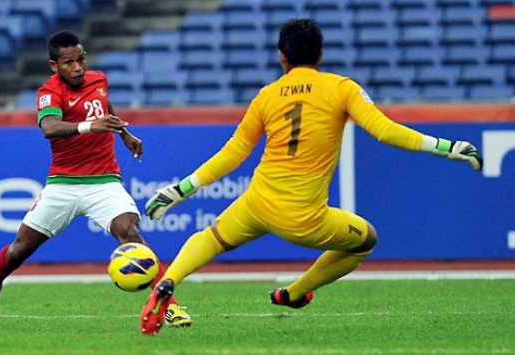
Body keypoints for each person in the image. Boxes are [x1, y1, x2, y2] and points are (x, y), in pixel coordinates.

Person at [139, 19, 483, 335]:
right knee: (366, 240)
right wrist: (446, 146)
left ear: (281, 57)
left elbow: (235, 152)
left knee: (212, 236)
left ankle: (168, 281)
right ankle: (295, 292)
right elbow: (384, 131)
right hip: (303, 218)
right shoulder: (341, 88)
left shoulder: (267, 95)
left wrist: (181, 189)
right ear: (320, 54)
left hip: (258, 202)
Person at [0, 30, 192, 328]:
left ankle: (167, 305)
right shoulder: (48, 92)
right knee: (19, 250)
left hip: (104, 181)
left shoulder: (99, 80)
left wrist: (124, 134)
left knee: (130, 231)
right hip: (63, 184)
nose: (78, 67)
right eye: (68, 62)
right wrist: (90, 126)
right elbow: (50, 128)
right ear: (54, 65)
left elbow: (104, 107)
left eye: (81, 59)